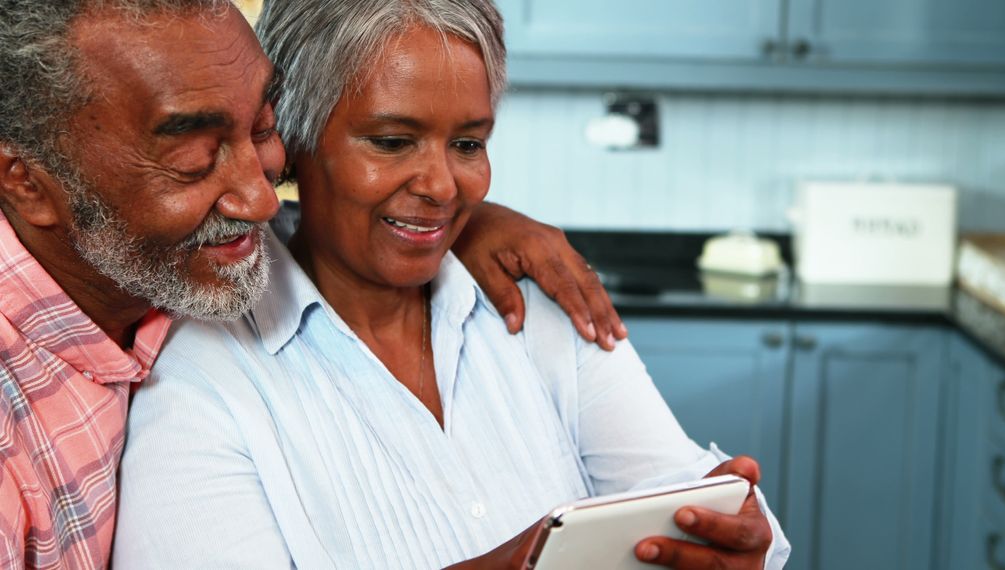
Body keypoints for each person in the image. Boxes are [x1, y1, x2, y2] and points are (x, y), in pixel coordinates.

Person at [114, 0, 791, 568]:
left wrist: (727, 539)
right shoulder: (198, 378)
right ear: (292, 137)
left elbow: (680, 498)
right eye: (391, 141)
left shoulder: (534, 302)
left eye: (468, 144)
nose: (443, 188)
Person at [0, 1, 626, 567]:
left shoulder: (162, 271)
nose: (261, 199)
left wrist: (461, 219)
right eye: (194, 158)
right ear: (27, 182)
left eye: (264, 128)